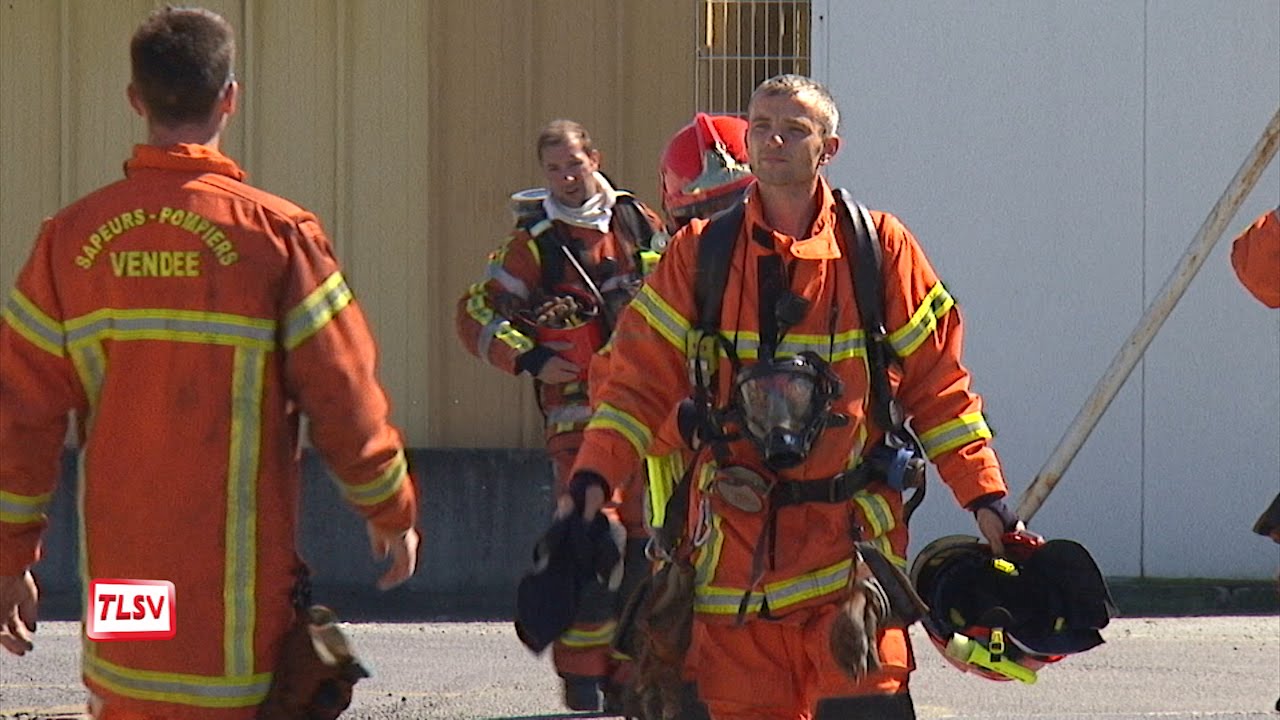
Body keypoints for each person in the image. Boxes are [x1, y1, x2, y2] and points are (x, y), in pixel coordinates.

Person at [562, 74, 1026, 720]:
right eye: (761, 127)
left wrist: (988, 500)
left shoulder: (881, 250)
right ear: (747, 142)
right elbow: (630, 386)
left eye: (795, 129)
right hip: (736, 574)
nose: (774, 139)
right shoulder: (699, 258)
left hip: (851, 571)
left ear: (828, 148)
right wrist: (591, 487)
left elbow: (941, 389)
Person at [0, 7, 420, 719]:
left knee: (135, 703)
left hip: (125, 588)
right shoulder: (277, 237)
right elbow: (343, 389)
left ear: (136, 100)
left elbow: (17, 417)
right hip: (238, 601)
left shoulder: (70, 242)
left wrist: (11, 558)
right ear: (230, 95)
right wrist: (388, 504)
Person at [455, 119, 666, 713]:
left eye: (574, 164)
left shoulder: (637, 221)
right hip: (577, 420)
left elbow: (677, 288)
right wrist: (531, 358)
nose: (567, 178)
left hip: (647, 411)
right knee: (594, 542)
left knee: (647, 553)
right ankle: (581, 678)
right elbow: (475, 314)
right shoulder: (535, 245)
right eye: (554, 169)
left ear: (594, 157)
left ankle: (629, 676)